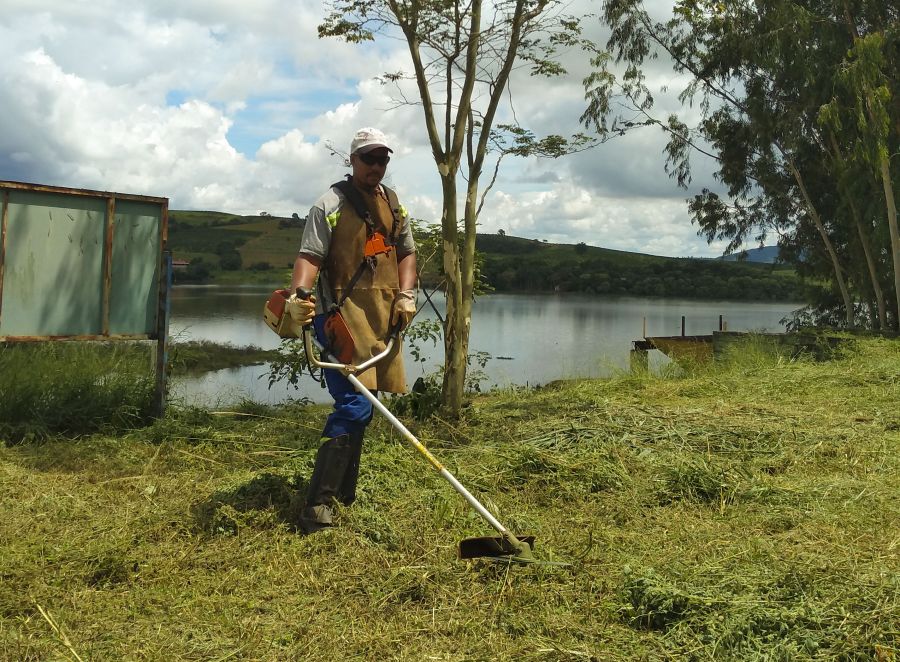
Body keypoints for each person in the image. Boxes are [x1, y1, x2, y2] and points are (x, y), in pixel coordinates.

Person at [286, 127, 417, 533]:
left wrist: (406, 295)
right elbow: (309, 256)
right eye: (368, 159)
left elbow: (408, 252)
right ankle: (316, 507)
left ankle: (344, 493)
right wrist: (299, 297)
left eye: (382, 160)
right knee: (356, 404)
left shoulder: (394, 206)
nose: (376, 167)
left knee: (366, 403)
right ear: (352, 160)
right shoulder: (330, 204)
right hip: (339, 317)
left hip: (380, 317)